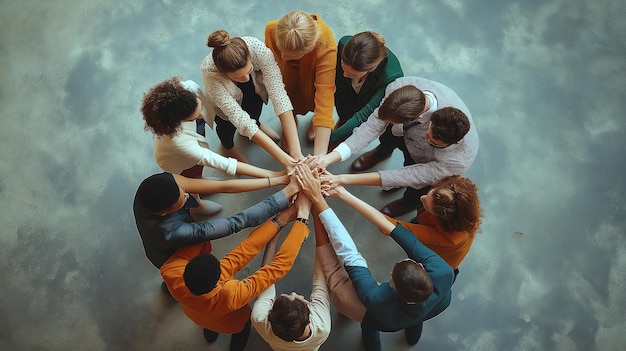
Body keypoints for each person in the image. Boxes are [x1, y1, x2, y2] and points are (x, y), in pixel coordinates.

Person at [294, 165, 454, 351]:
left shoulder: (376, 299)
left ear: (393, 285)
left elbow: (350, 254)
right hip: (435, 306)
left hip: (384, 321)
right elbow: (392, 229)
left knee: (370, 324)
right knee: (418, 315)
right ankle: (413, 334)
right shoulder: (444, 272)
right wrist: (342, 193)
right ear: (421, 265)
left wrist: (317, 199)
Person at [310, 76, 479, 218]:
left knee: (416, 188)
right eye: (428, 131)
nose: (426, 136)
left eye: (432, 141)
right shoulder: (400, 88)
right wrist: (329, 157)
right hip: (400, 131)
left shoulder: (458, 159)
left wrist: (342, 179)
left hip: (426, 160)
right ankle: (381, 153)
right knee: (388, 138)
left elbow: (410, 175)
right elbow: (372, 127)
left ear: (419, 117)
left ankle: (406, 203)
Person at [160, 194, 312, 351]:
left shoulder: (171, 271)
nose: (224, 263)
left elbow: (243, 252)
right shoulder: (231, 294)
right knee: (241, 332)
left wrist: (282, 219)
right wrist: (301, 220)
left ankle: (211, 333)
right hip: (232, 323)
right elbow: (276, 267)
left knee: (210, 324)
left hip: (195, 315)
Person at [133, 171, 297, 293]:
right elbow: (236, 222)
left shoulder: (155, 186)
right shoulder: (173, 233)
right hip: (169, 256)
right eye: (182, 197)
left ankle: (169, 288)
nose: (186, 193)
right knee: (185, 281)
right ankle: (171, 290)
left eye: (181, 188)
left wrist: (281, 179)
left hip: (154, 245)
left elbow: (223, 186)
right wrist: (287, 193)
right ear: (164, 213)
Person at [141, 77, 284, 214]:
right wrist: (274, 175)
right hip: (179, 162)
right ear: (177, 122)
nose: (202, 115)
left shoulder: (188, 88)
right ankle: (196, 203)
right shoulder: (177, 140)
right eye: (195, 116)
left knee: (198, 168)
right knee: (188, 179)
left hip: (194, 139)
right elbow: (221, 163)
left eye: (200, 108)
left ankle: (199, 180)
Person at [251, 166, 332, 351]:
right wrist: (317, 206)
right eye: (299, 298)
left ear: (269, 315)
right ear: (309, 319)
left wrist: (280, 222)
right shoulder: (322, 326)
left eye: (290, 295)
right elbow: (321, 278)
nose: (298, 294)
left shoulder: (258, 317)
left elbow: (267, 275)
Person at [201, 30, 303, 166]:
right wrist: (285, 160)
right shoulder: (210, 73)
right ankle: (228, 146)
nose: (246, 78)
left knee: (254, 109)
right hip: (224, 104)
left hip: (253, 88)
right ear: (223, 72)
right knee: (226, 127)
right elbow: (238, 117)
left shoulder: (255, 47)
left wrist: (296, 153)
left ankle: (257, 125)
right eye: (238, 77)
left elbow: (279, 93)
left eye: (249, 71)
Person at [265, 10, 336, 154]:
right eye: (281, 49)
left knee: (314, 102)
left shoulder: (326, 47)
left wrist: (319, 158)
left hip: (310, 82)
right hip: (284, 78)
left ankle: (316, 122)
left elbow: (325, 96)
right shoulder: (271, 29)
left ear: (310, 49)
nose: (283, 57)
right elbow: (270, 65)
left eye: (291, 55)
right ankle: (291, 123)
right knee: (289, 100)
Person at [384, 175, 483, 271]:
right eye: (429, 194)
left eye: (426, 205)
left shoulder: (448, 237)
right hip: (436, 226)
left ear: (442, 216)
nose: (422, 198)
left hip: (441, 257)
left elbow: (394, 228)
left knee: (414, 249)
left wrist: (370, 211)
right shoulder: (457, 198)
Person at [329, 31, 403, 153]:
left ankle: (345, 135)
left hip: (368, 100)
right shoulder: (344, 44)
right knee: (344, 107)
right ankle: (343, 122)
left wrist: (330, 137)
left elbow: (363, 115)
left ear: (371, 69)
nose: (345, 74)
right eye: (343, 67)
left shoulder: (391, 78)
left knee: (353, 122)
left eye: (353, 74)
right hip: (346, 92)